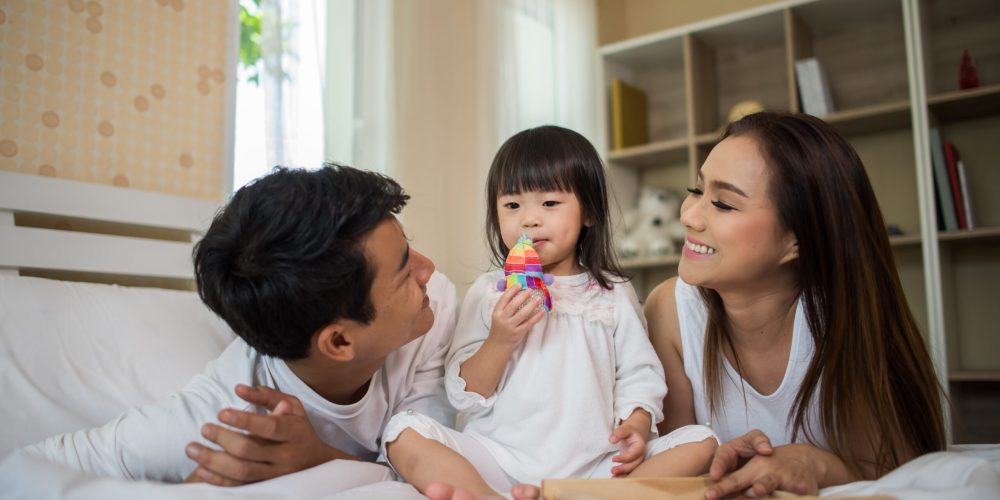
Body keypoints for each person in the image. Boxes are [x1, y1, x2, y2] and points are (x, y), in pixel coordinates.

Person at [21, 164, 459, 489]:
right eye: (405, 273)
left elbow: (435, 464)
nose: (429, 269)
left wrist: (322, 459)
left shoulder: (430, 307)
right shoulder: (222, 422)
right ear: (339, 340)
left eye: (411, 249)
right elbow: (26, 470)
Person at [383, 125, 718, 499]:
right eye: (512, 205)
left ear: (588, 211)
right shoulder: (489, 294)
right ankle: (489, 497)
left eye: (549, 204)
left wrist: (636, 425)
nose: (529, 219)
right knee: (402, 431)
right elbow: (464, 395)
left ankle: (589, 496)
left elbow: (639, 373)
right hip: (500, 460)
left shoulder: (612, 292)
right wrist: (500, 338)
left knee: (703, 441)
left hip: (594, 468)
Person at [642, 111, 946, 499]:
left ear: (797, 239)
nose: (688, 215)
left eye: (723, 204)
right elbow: (674, 475)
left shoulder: (840, 319)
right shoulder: (670, 311)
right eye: (697, 189)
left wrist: (813, 462)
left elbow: (895, 470)